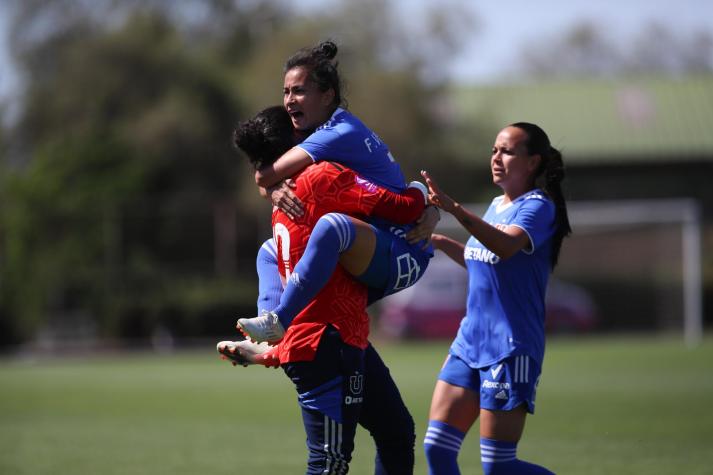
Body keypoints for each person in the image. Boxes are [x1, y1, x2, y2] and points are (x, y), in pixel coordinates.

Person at [224, 104, 426, 474]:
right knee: (329, 463)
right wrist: (423, 197)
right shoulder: (322, 176)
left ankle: (271, 342)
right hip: (325, 342)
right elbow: (400, 207)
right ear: (296, 144)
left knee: (396, 431)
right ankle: (274, 333)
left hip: (343, 337)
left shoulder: (280, 194)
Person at [237, 40, 438, 343]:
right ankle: (264, 336)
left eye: (300, 91)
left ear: (328, 95)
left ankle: (279, 320)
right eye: (286, 91)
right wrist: (274, 190)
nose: (290, 100)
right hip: (373, 243)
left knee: (333, 228)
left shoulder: (335, 134)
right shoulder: (318, 131)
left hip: (403, 249)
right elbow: (284, 182)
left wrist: (425, 200)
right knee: (269, 251)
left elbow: (267, 174)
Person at [420, 122, 571, 475]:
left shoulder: (539, 207)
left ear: (533, 162)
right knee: (436, 450)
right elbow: (481, 261)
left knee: (499, 468)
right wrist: (441, 243)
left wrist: (455, 210)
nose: (496, 158)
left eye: (507, 151)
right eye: (494, 150)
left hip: (510, 347)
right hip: (469, 342)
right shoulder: (495, 205)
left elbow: (503, 247)